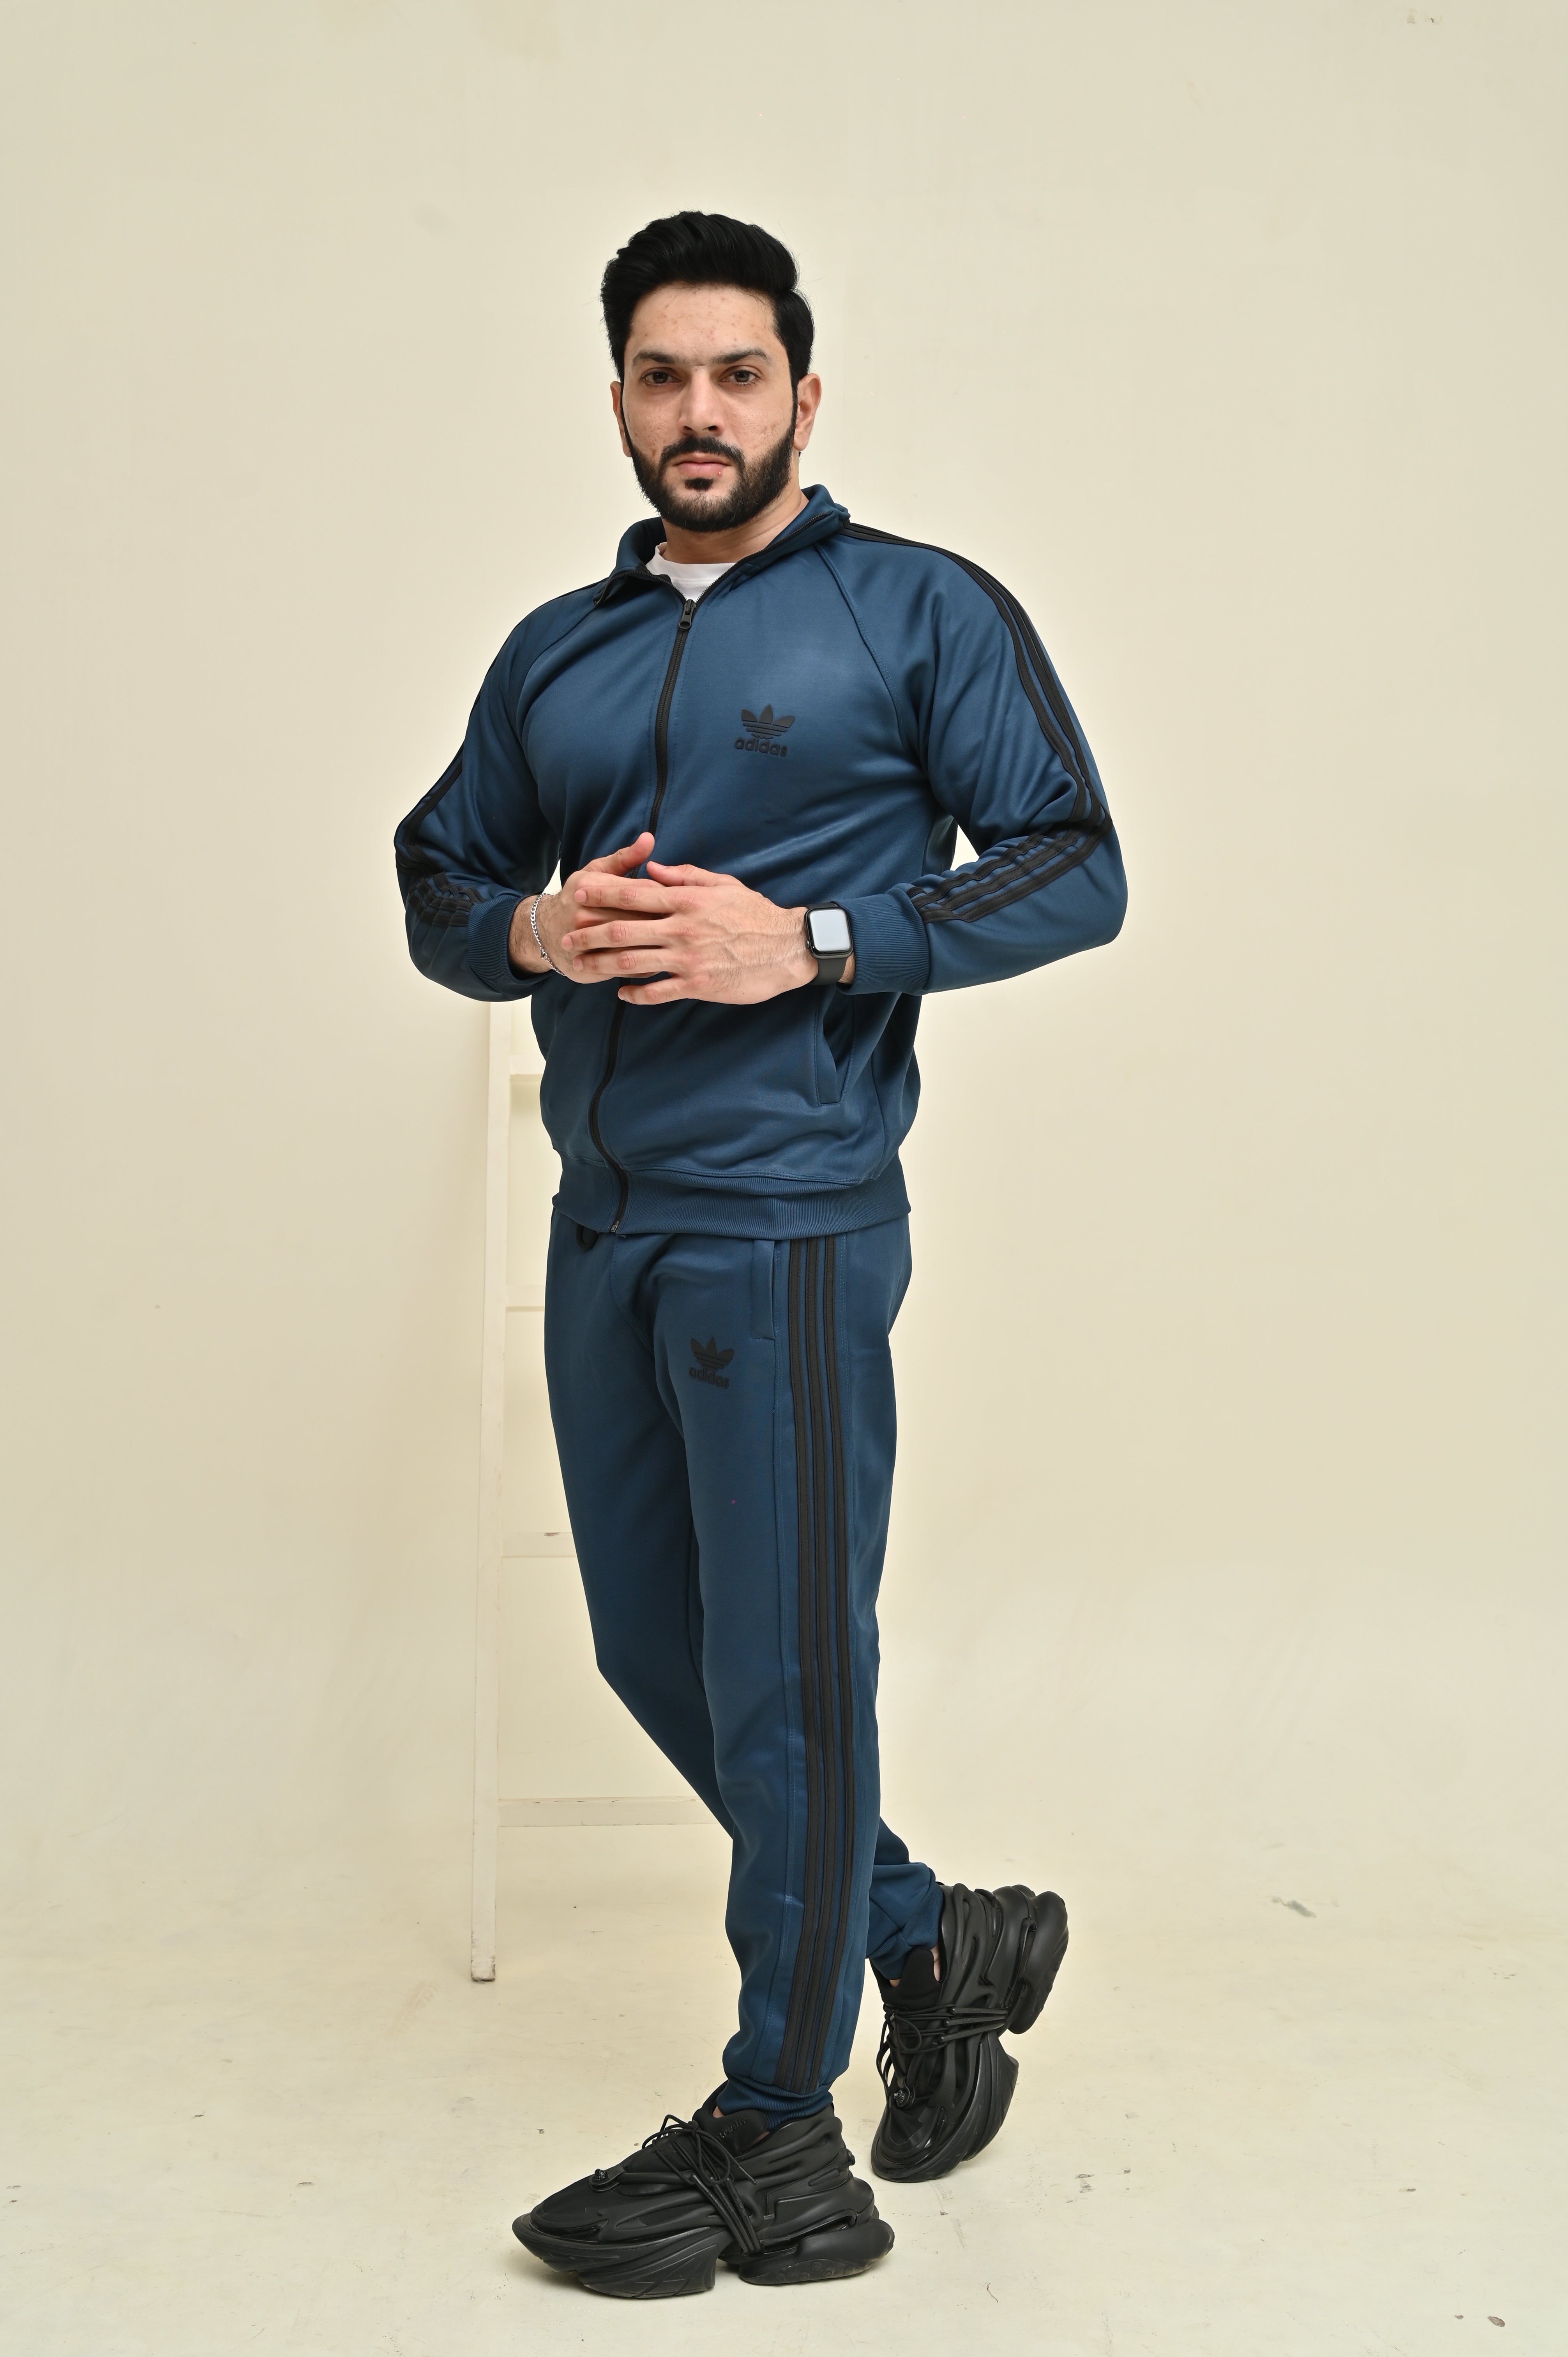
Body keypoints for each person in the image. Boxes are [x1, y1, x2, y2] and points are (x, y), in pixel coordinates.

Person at [394, 210, 1127, 2300]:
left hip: (788, 1224)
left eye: (735, 374)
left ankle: (778, 2134)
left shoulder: (917, 611)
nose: (697, 411)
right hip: (604, 1220)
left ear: (805, 393)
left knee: (787, 1685)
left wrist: (807, 939)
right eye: (661, 376)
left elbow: (1074, 867)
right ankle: (928, 1936)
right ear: (621, 400)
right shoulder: (558, 648)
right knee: (657, 1652)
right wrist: (531, 927)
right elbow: (438, 878)